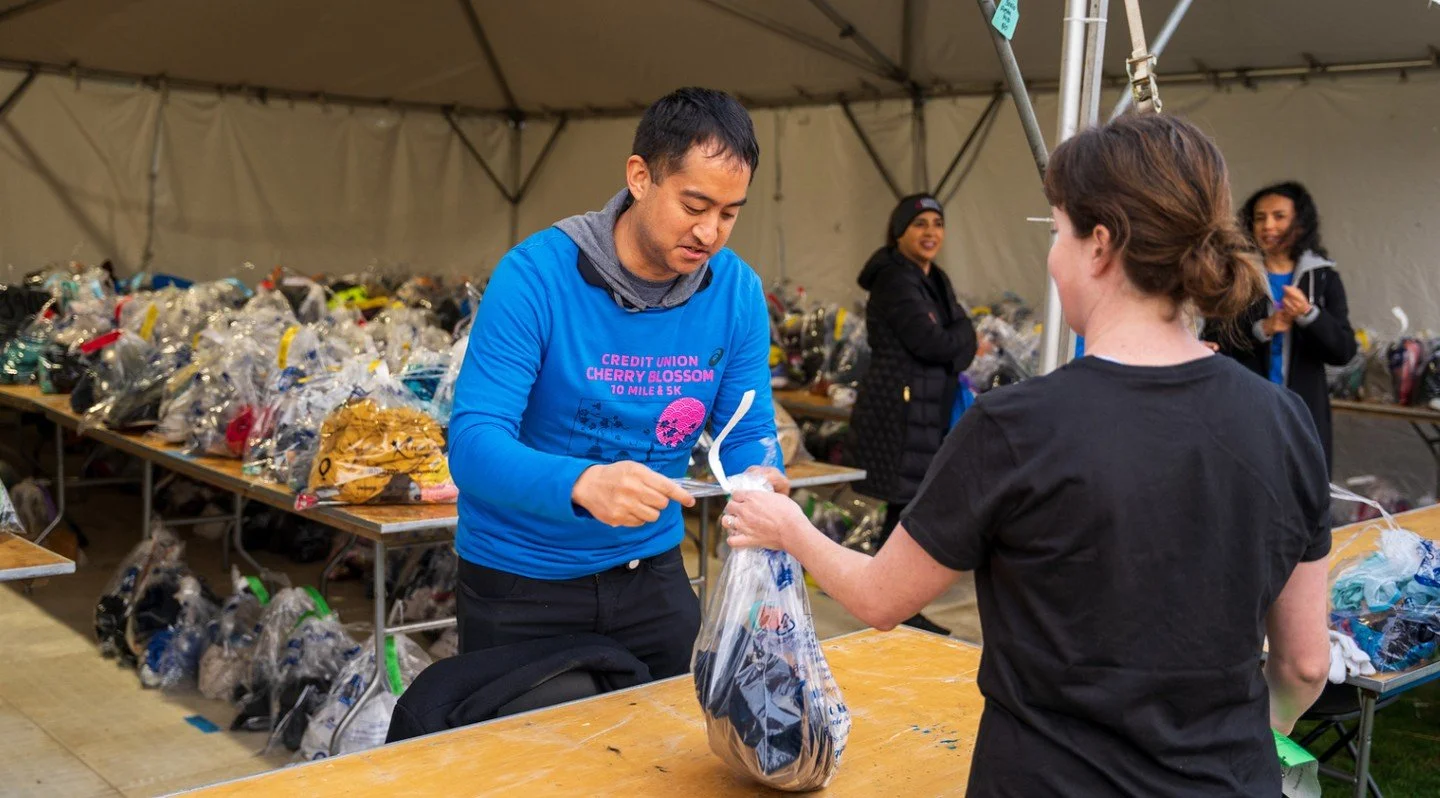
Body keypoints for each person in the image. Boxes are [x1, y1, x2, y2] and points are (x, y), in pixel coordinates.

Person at [721, 115, 1332, 796]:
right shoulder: (1282, 420)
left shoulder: (1016, 427)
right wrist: (1251, 738)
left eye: (1056, 232)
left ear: (1100, 246)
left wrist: (788, 526)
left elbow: (879, 598)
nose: (1053, 257)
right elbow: (1306, 664)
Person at [447, 87, 787, 680]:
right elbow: (473, 444)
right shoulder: (535, 277)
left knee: (675, 751)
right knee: (533, 764)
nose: (710, 233)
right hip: (521, 577)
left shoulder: (736, 293)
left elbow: (747, 427)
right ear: (639, 177)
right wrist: (582, 483)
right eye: (694, 205)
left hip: (650, 571)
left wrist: (760, 476)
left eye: (729, 214)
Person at [846, 194, 979, 636]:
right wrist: (959, 335)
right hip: (899, 409)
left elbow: (959, 340)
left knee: (906, 506)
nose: (930, 233)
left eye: (937, 224)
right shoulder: (894, 280)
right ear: (899, 232)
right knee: (905, 506)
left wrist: (957, 337)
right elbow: (934, 343)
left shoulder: (933, 279)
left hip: (922, 407)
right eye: (919, 224)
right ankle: (891, 603)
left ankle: (892, 601)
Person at [1204, 181, 1356, 473]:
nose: (1267, 225)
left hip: (1303, 413)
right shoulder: (1236, 275)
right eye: (1259, 218)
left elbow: (1344, 351)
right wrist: (1264, 328)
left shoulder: (1323, 278)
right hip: (1245, 410)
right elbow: (1212, 341)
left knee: (1303, 493)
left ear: (1300, 223)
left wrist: (1310, 315)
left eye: (1278, 216)